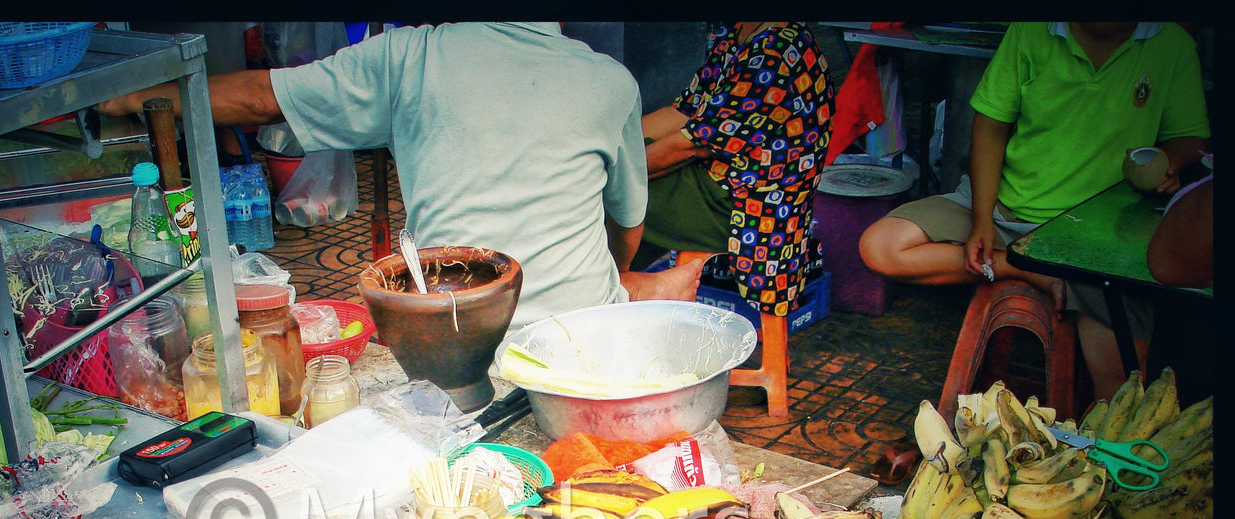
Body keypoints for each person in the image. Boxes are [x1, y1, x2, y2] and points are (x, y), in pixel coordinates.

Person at [99, 22, 706, 331]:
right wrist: (614, 276)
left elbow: (260, 98)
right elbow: (628, 222)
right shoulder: (608, 80)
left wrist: (125, 98)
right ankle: (642, 294)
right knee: (611, 282)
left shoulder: (409, 55)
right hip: (582, 331)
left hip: (457, 332)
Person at [858, 22, 1210, 402]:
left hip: (1094, 238)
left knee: (1120, 387)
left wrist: (1172, 161)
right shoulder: (1032, 30)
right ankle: (1019, 266)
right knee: (881, 246)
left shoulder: (1170, 43)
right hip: (1004, 208)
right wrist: (981, 219)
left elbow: (1191, 139)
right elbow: (990, 127)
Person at [636, 21, 834, 319]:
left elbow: (693, 144)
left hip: (750, 206)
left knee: (602, 194)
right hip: (717, 179)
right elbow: (683, 113)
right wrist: (611, 142)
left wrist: (613, 168)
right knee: (611, 172)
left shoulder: (777, 50)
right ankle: (618, 291)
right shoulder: (735, 35)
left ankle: (608, 294)